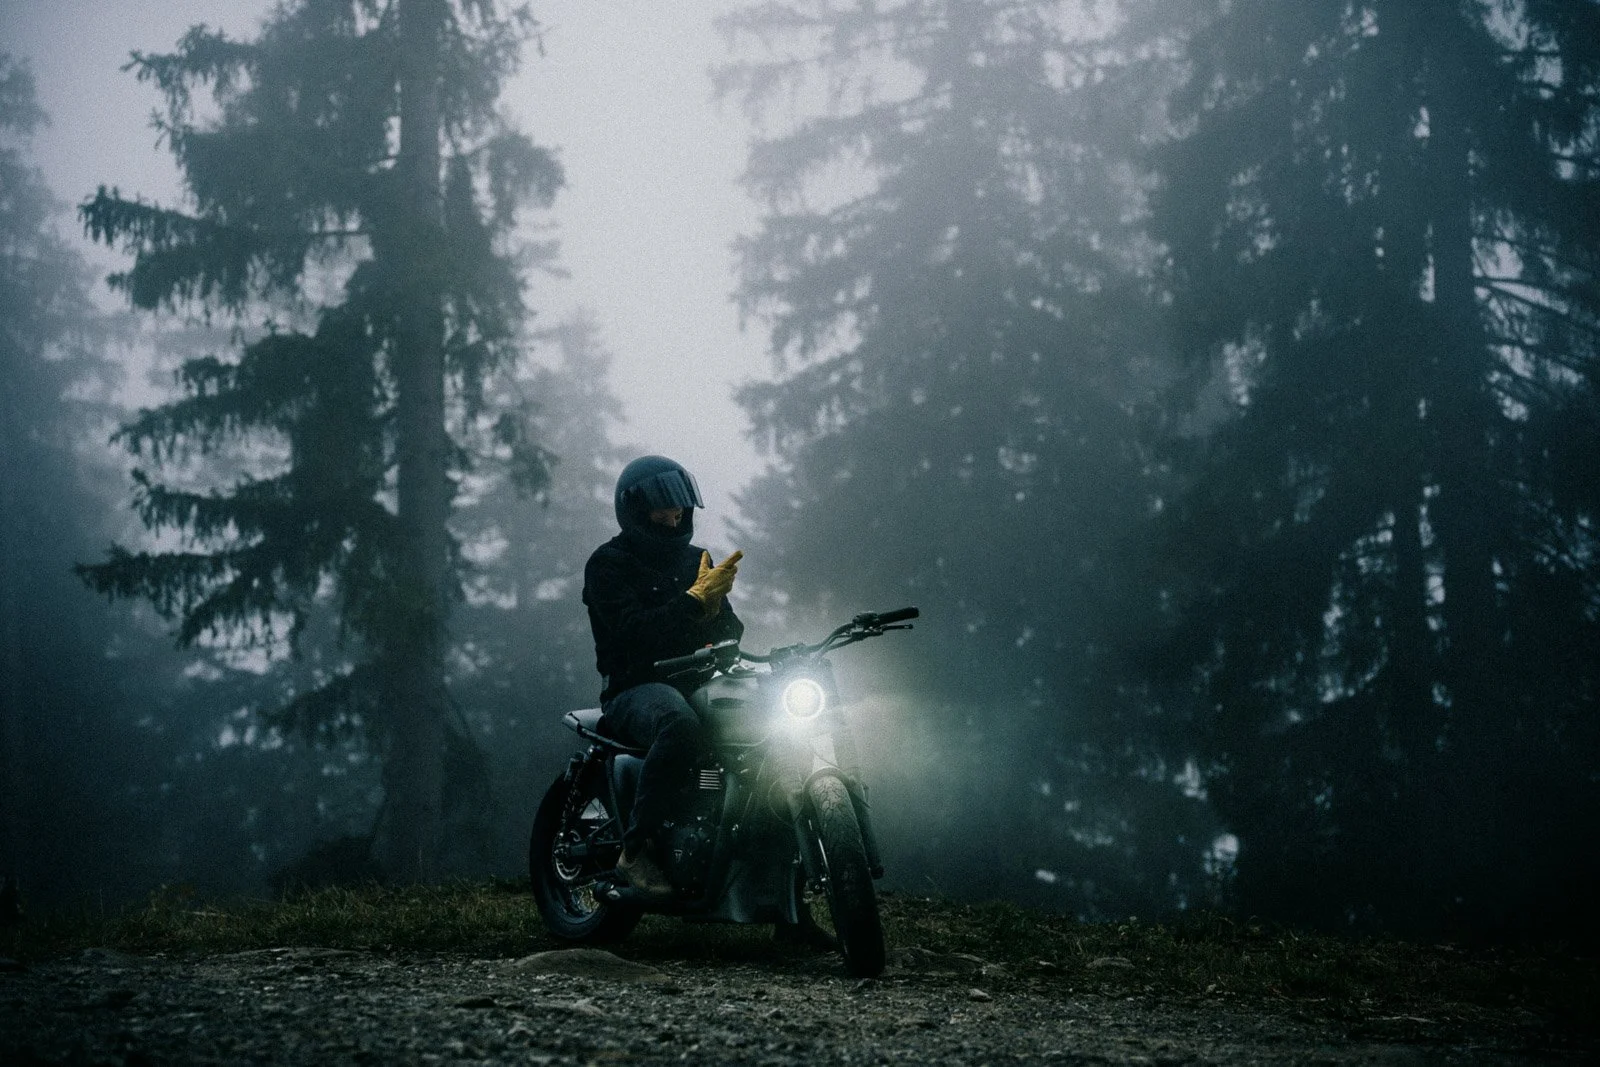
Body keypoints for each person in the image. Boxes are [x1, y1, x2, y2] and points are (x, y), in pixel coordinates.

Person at [582, 455, 744, 899]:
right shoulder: (608, 564)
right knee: (678, 726)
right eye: (661, 508)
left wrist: (715, 614)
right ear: (634, 510)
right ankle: (636, 850)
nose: (673, 515)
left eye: (678, 507)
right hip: (634, 688)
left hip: (697, 682)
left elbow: (732, 632)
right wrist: (692, 605)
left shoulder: (697, 559)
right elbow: (634, 633)